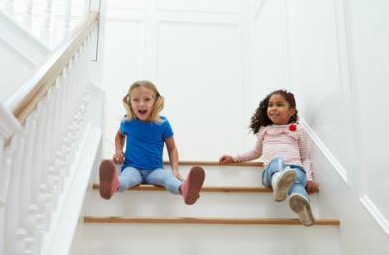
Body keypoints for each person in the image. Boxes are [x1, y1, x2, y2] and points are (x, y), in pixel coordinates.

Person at [219, 90, 319, 225]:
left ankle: (303, 208)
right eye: (270, 105)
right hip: (270, 174)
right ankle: (278, 180)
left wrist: (309, 178)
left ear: (291, 111)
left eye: (279, 105)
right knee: (277, 162)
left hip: (295, 171)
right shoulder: (264, 130)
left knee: (296, 185)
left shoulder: (298, 130)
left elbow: (305, 157)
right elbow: (256, 152)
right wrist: (235, 158)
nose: (273, 108)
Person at [99, 80, 205, 204]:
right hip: (132, 167)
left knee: (167, 178)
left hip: (154, 170)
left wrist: (175, 169)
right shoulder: (127, 121)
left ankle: (185, 189)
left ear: (155, 101)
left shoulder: (162, 123)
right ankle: (112, 185)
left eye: (147, 99)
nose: (141, 104)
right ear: (130, 102)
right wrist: (118, 150)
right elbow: (119, 136)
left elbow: (172, 148)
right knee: (126, 179)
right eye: (136, 100)